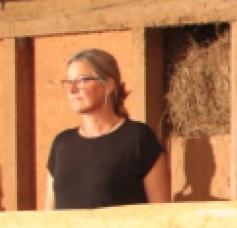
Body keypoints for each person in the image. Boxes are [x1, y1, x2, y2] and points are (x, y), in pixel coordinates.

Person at [45, 48, 169, 211]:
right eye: (68, 82)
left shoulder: (138, 138)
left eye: (81, 80)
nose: (72, 90)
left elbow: (161, 213)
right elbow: (48, 215)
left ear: (109, 85)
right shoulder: (62, 144)